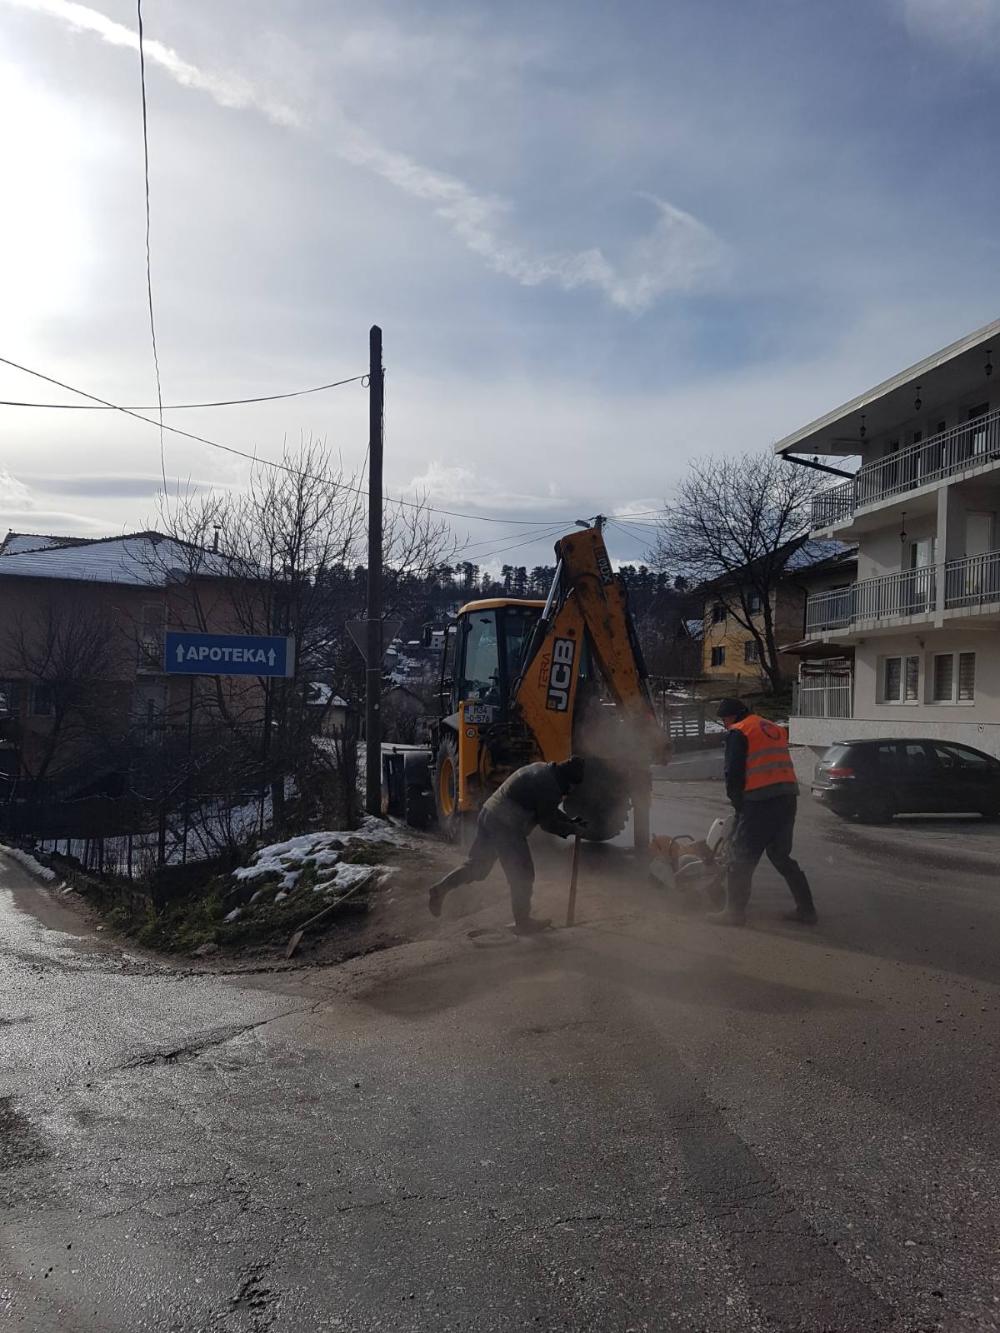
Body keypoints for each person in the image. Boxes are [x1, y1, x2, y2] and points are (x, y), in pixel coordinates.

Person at [428, 756, 586, 934]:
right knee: (523, 875)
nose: (570, 791)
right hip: (506, 826)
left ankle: (440, 889)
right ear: (568, 780)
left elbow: (546, 808)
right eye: (572, 787)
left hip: (489, 814)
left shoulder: (543, 769)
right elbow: (548, 823)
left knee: (478, 867)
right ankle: (523, 923)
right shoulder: (550, 785)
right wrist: (573, 829)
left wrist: (570, 821)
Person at [709, 698, 817, 928]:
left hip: (760, 800)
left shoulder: (739, 731)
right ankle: (807, 910)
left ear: (733, 717)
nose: (725, 725)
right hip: (788, 797)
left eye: (725, 720)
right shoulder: (772, 728)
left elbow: (733, 772)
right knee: (780, 855)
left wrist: (737, 803)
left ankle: (733, 913)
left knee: (741, 858)